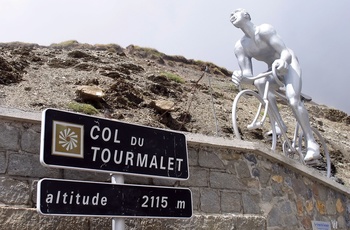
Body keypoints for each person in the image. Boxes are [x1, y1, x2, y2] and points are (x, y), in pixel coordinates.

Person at [230, 8, 320, 162]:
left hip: (288, 64)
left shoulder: (264, 30)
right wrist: (239, 76)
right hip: (273, 70)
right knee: (259, 81)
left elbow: (284, 52)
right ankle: (279, 125)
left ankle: (312, 143)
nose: (232, 15)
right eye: (230, 15)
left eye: (235, 12)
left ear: (246, 15)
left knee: (293, 100)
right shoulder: (240, 46)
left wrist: (283, 61)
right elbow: (249, 76)